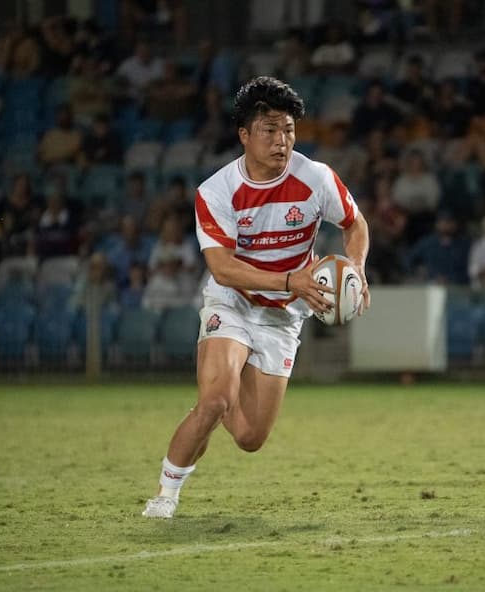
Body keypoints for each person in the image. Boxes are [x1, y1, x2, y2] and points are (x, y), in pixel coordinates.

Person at [142, 76, 371, 518]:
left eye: (289, 130)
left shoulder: (316, 178)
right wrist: (290, 280)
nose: (282, 140)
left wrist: (357, 267)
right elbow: (223, 268)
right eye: (269, 130)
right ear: (244, 135)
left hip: (284, 316)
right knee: (215, 401)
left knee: (250, 438)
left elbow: (355, 223)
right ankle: (165, 495)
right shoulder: (216, 191)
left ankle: (220, 395)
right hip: (233, 302)